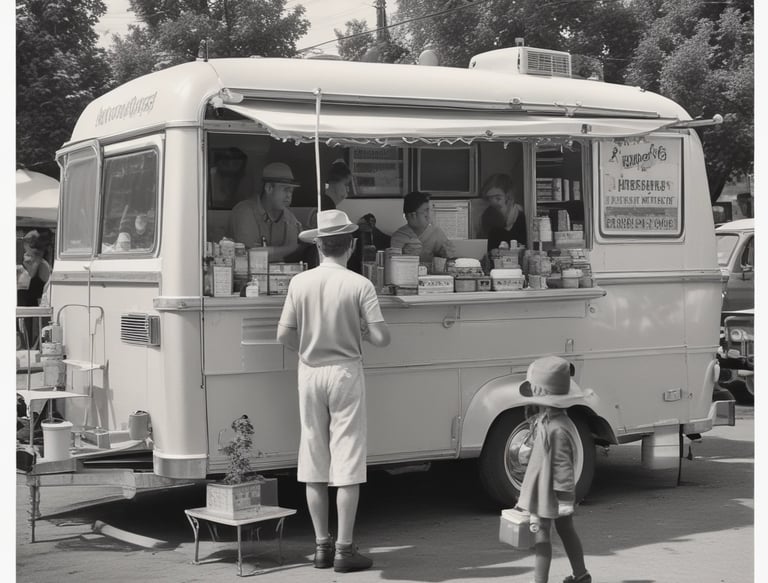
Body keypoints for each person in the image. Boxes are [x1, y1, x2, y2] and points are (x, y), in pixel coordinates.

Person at [277, 209, 391, 573]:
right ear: (351, 245)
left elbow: (283, 334)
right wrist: (360, 332)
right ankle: (344, 549)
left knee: (313, 458)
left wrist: (309, 349)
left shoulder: (299, 283)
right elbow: (382, 337)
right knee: (348, 460)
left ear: (318, 245)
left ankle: (321, 547)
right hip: (345, 373)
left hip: (310, 373)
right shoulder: (360, 284)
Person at [516, 355, 592, 583]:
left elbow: (562, 465)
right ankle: (581, 575)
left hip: (551, 494)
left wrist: (566, 500)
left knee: (541, 537)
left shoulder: (556, 428)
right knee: (565, 531)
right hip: (550, 492)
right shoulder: (550, 420)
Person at [229, 162, 304, 261]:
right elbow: (250, 255)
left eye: (291, 191)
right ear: (268, 188)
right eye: (285, 189)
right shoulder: (245, 211)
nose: (289, 196)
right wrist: (292, 248)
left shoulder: (289, 217)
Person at [390, 191, 454, 263]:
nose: (428, 215)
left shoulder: (436, 232)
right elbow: (392, 263)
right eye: (425, 211)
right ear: (412, 215)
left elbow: (448, 259)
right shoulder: (399, 236)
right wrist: (406, 256)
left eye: (428, 210)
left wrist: (447, 254)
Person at [17, 230, 52, 347]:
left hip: (33, 306)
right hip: (26, 304)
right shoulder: (32, 260)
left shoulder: (39, 262)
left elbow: (31, 275)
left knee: (30, 336)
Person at [479, 173, 527, 253]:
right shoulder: (487, 216)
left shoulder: (523, 217)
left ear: (509, 197)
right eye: (489, 199)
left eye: (498, 198)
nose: (493, 203)